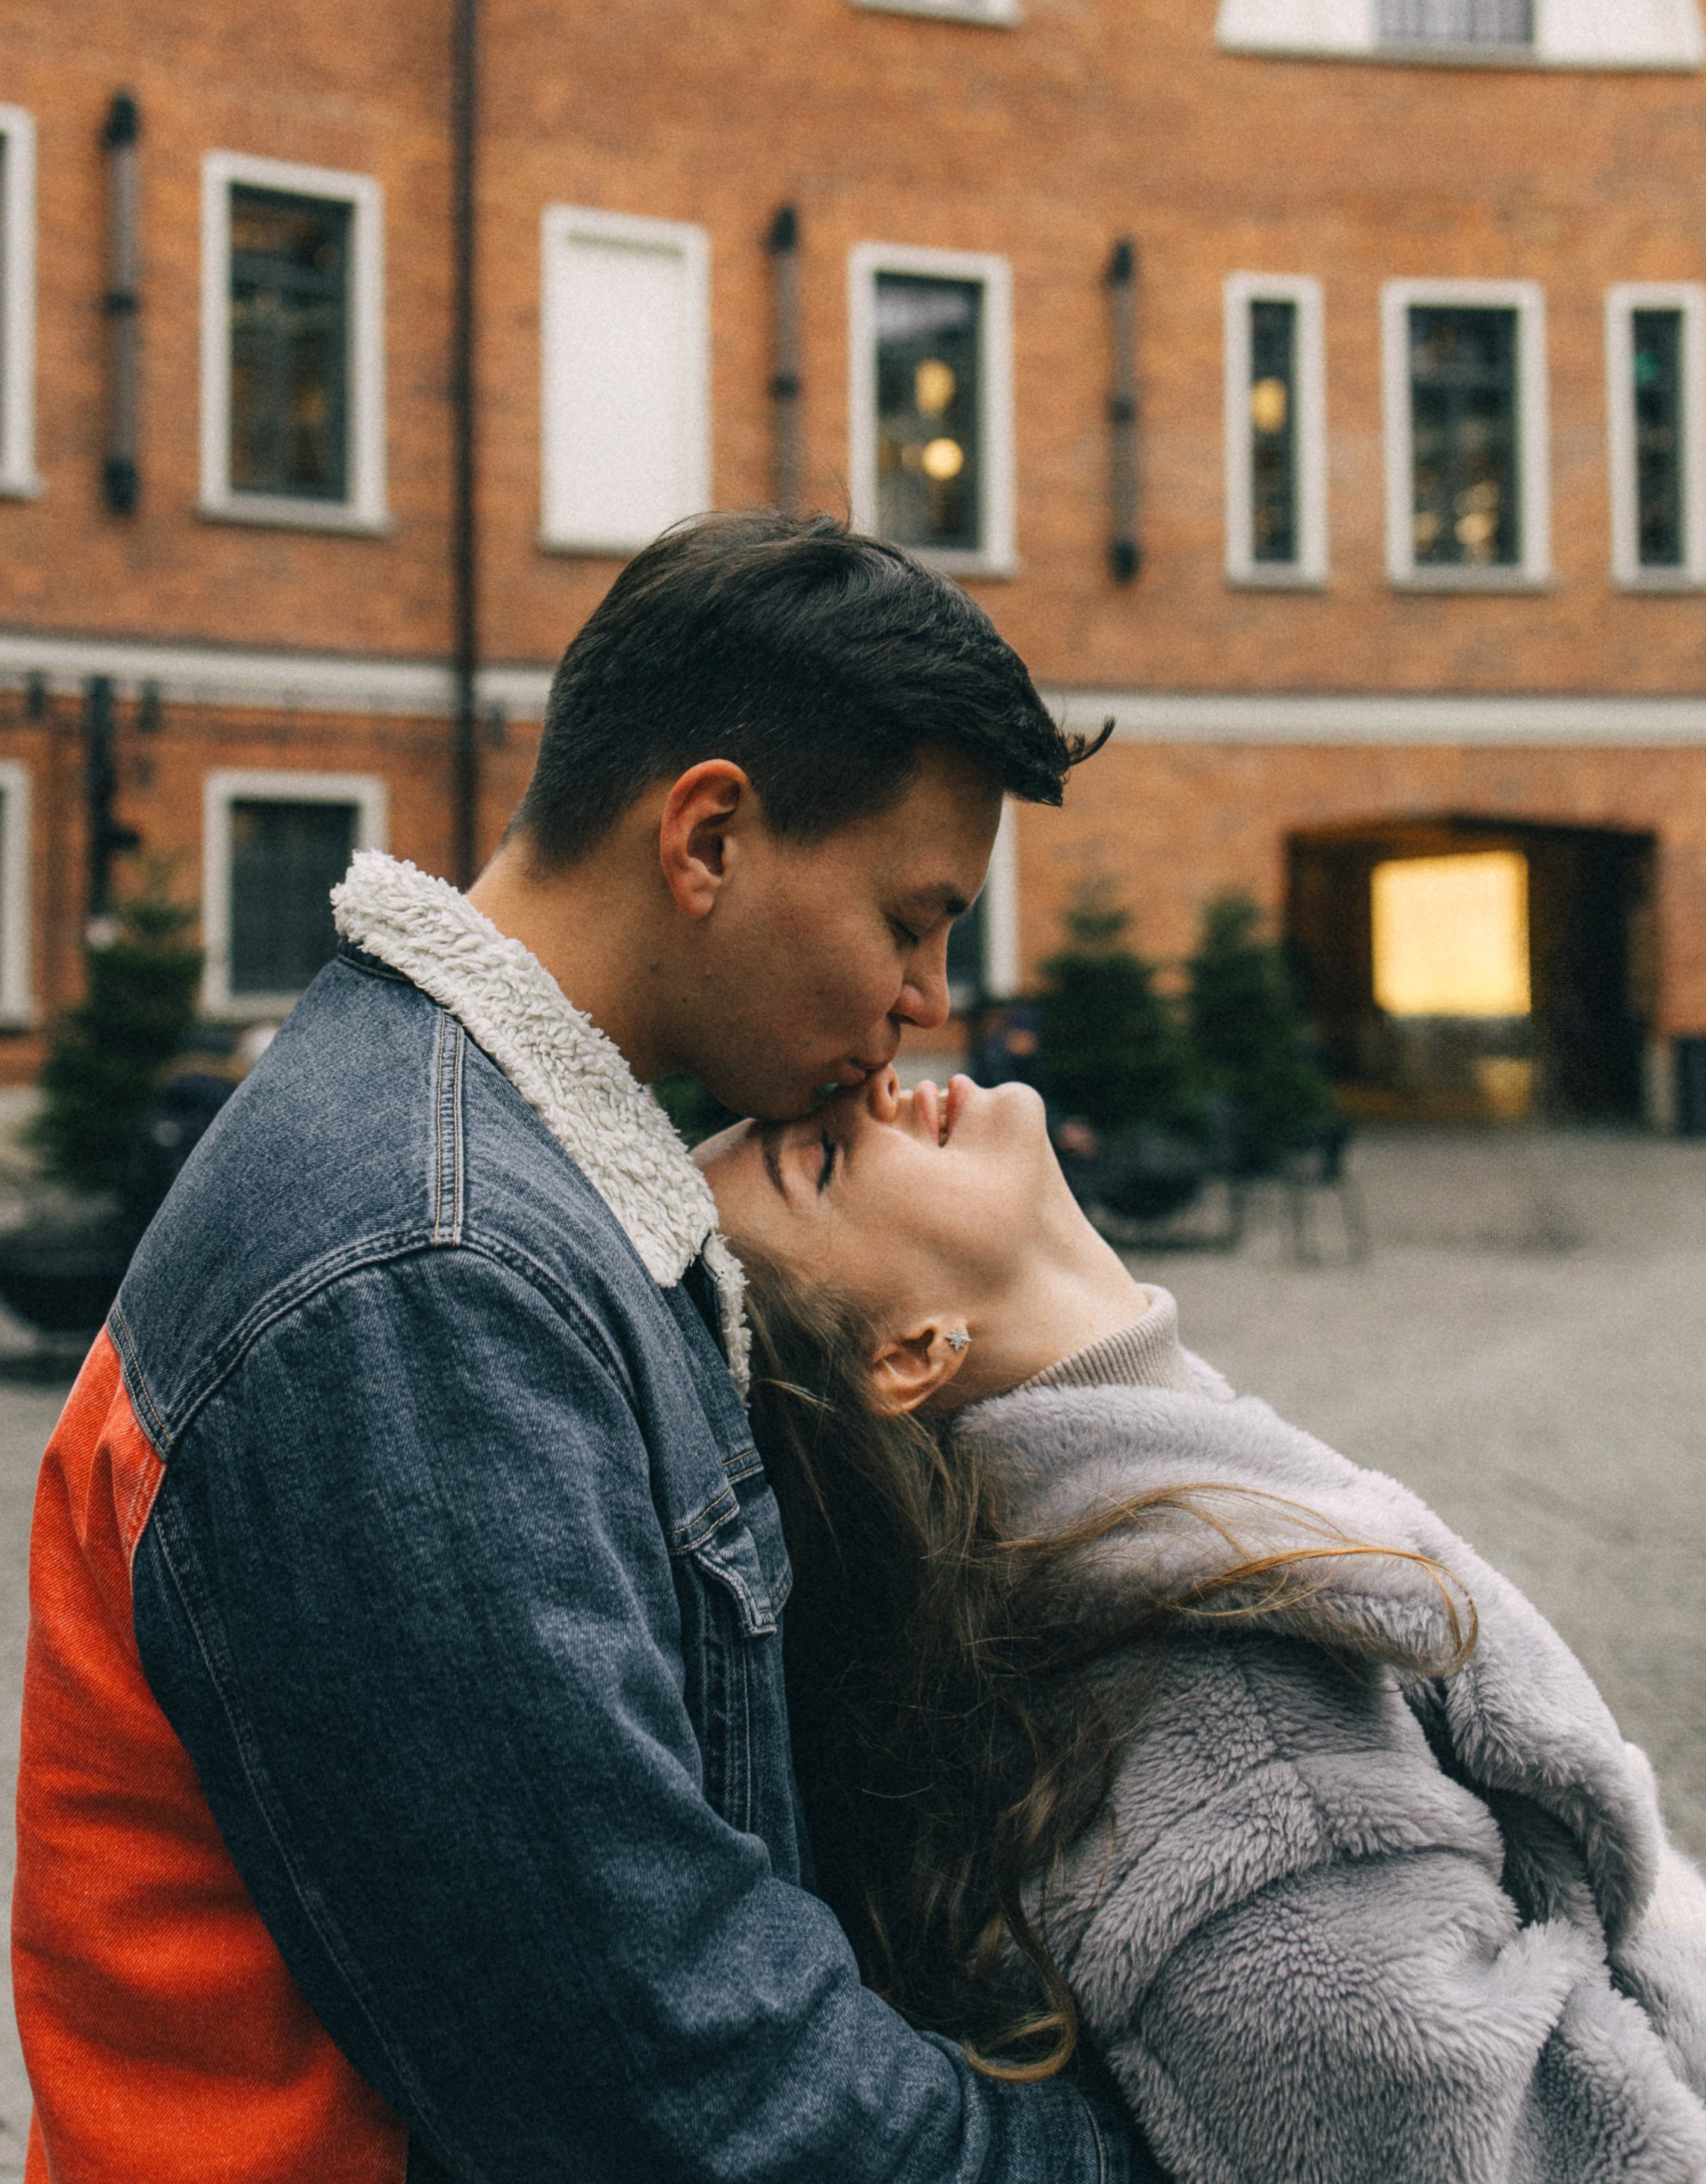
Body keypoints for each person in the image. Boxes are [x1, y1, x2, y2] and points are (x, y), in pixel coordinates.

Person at [12, 514, 1150, 2182]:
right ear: (707, 837)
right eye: (914, 918)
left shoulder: (490, 1190)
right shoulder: (424, 1274)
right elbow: (672, 2103)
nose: (926, 995)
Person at [698, 1065, 1706, 2184]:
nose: (877, 1083)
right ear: (911, 1349)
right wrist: (1687, 1944)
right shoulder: (1216, 1726)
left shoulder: (1170, 1510)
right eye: (825, 1160)